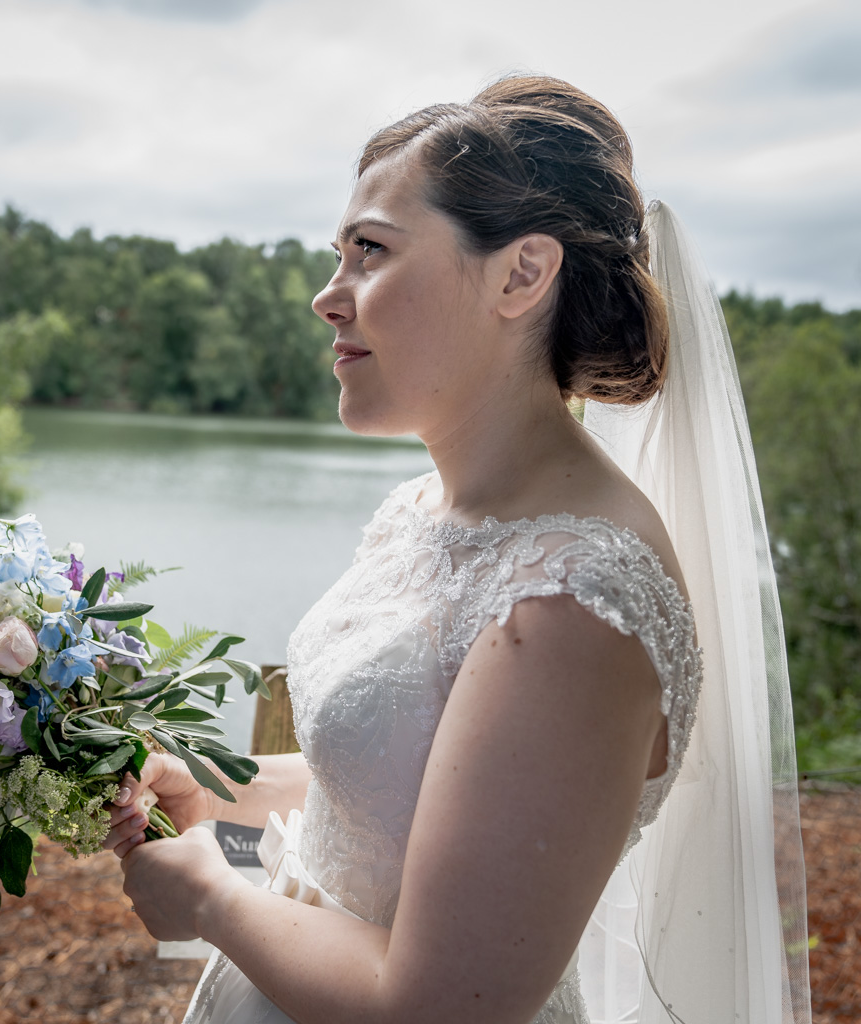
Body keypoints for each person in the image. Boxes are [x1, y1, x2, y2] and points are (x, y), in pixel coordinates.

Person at [106, 77, 811, 1024]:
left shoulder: (573, 605)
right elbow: (406, 788)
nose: (327, 297)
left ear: (521, 275)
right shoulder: (422, 510)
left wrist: (207, 898)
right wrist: (218, 788)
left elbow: (440, 1006)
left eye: (371, 251)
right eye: (338, 255)